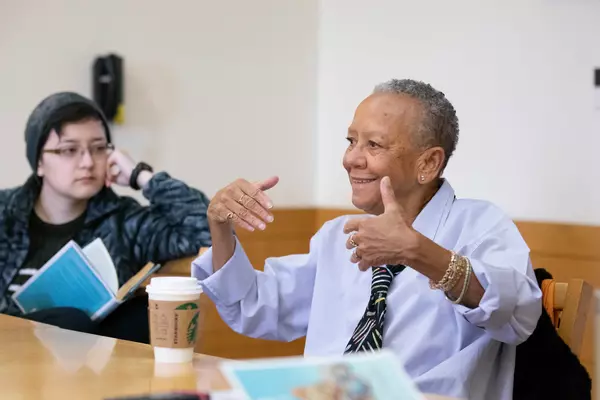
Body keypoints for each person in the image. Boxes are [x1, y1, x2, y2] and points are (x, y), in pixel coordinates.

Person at [192, 79, 542, 399]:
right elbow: (256, 306)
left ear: (429, 163)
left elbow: (518, 311)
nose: (350, 159)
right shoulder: (340, 235)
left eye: (373, 145)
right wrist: (221, 229)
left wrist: (416, 251)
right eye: (350, 141)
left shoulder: (479, 225)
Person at [0, 92, 211, 342]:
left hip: (91, 362)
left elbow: (207, 231)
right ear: (39, 162)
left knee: (137, 315)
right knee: (70, 321)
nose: (88, 162)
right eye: (70, 150)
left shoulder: (124, 220)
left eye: (99, 148)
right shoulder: (6, 211)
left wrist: (141, 176)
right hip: (12, 351)